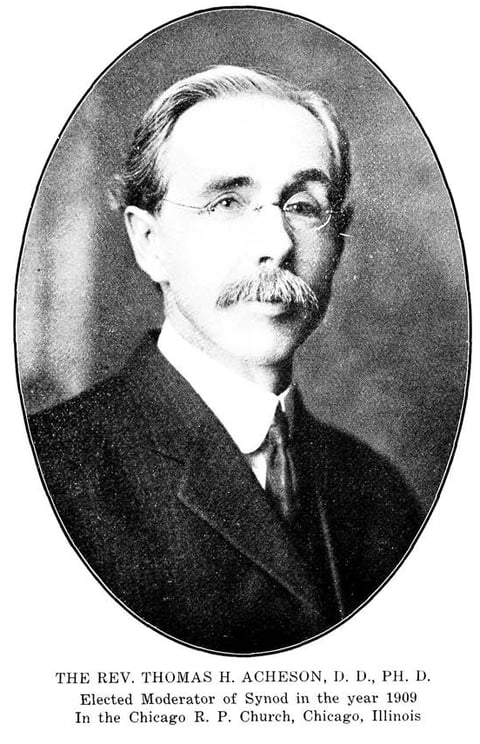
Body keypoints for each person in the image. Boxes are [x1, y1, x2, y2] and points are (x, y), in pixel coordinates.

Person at [29, 66, 423, 654]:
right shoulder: (48, 474)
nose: (278, 244)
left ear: (338, 243)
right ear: (149, 242)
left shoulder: (381, 494)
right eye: (228, 202)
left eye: (303, 206)